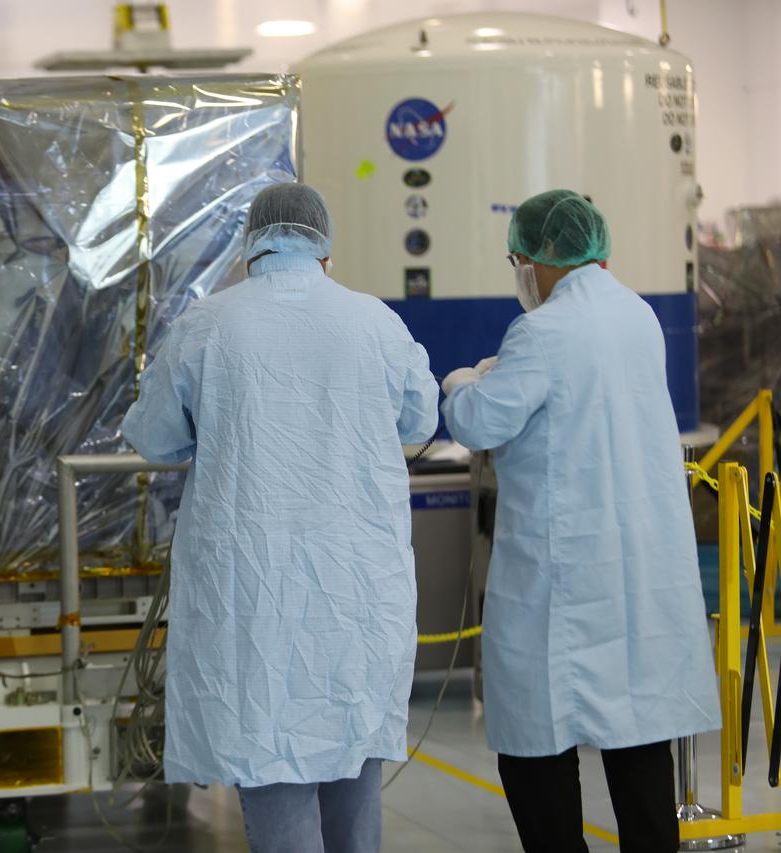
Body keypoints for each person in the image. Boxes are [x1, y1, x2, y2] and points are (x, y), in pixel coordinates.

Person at [121, 183, 438, 853]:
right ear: (324, 248)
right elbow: (421, 417)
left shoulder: (209, 323)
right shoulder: (373, 321)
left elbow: (152, 434)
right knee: (350, 750)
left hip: (252, 590)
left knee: (268, 748)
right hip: (354, 585)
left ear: (252, 244)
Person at [440, 190, 719, 853]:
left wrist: (461, 382)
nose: (520, 274)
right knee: (636, 732)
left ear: (544, 257)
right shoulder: (638, 316)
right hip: (634, 563)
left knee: (535, 740)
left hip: (561, 574)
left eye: (518, 259)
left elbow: (480, 420)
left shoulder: (543, 331)